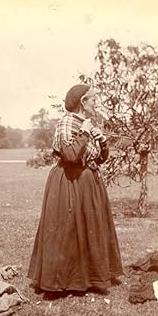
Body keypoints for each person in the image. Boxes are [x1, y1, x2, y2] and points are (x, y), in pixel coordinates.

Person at [28, 84, 123, 296]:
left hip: (88, 181)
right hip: (69, 182)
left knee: (90, 227)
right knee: (67, 229)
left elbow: (98, 158)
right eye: (94, 99)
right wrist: (85, 133)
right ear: (83, 102)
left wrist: (103, 142)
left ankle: (89, 278)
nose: (96, 102)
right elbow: (70, 155)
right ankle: (63, 281)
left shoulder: (85, 124)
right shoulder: (67, 122)